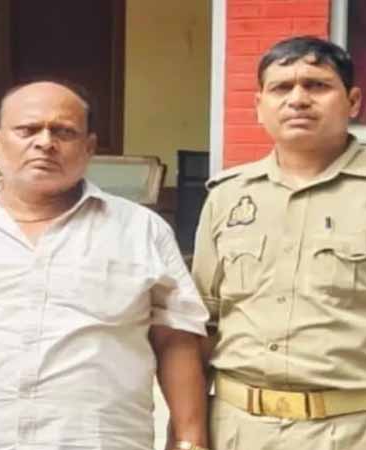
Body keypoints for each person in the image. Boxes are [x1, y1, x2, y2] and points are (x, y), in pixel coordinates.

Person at [0, 80, 210, 450]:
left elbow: (176, 340)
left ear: (89, 147)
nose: (45, 142)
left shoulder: (141, 231)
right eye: (27, 130)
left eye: (64, 131)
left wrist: (189, 441)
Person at [192, 36, 366, 450]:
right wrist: (188, 431)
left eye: (317, 85)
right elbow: (200, 323)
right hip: (236, 430)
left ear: (353, 102)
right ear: (259, 106)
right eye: (281, 88)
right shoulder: (228, 197)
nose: (298, 99)